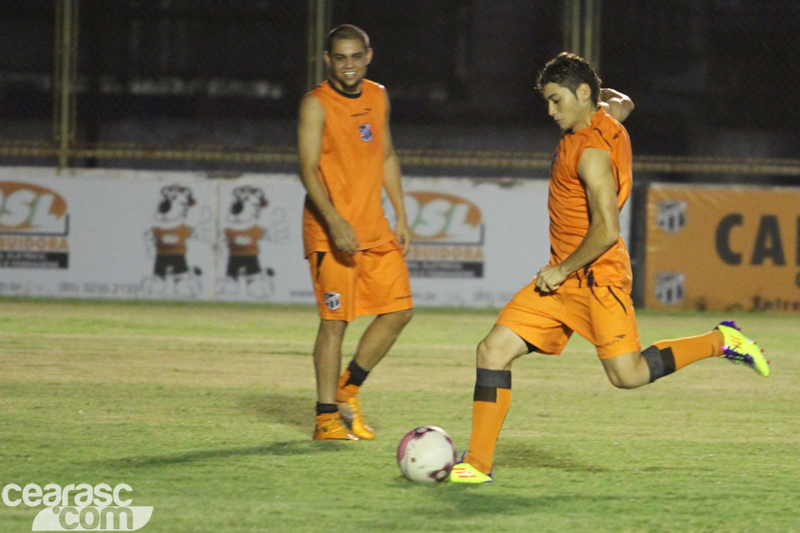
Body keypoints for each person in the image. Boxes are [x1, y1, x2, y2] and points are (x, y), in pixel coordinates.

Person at [449, 52, 770, 483]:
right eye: (547, 101)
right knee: (492, 350)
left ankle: (721, 340)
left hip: (596, 276)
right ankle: (477, 464)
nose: (550, 111)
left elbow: (606, 231)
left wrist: (561, 270)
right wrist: (601, 102)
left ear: (582, 94)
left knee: (628, 374)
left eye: (556, 100)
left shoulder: (591, 154)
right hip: (564, 280)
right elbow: (624, 102)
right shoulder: (604, 114)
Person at [297, 24, 414, 441]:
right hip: (330, 230)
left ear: (368, 55)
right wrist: (333, 222)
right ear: (328, 60)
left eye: (355, 56)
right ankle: (326, 417)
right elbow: (307, 167)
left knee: (399, 309)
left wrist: (400, 214)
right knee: (335, 323)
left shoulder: (377, 96)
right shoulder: (316, 104)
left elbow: (385, 155)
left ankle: (348, 387)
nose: (348, 65)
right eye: (339, 58)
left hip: (373, 226)